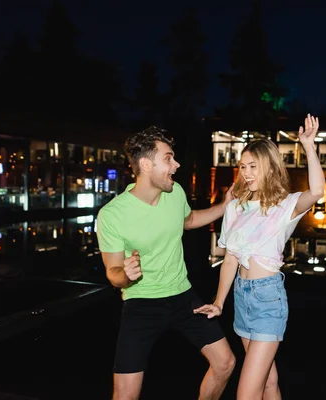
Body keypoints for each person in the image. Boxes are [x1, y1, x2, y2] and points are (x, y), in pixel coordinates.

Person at [96, 126, 236, 400]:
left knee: (225, 363)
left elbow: (189, 220)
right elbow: (113, 274)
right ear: (146, 165)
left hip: (183, 296)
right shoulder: (112, 215)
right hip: (141, 303)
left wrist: (225, 205)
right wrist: (125, 274)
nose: (177, 164)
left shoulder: (175, 193)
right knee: (124, 395)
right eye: (169, 158)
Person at [194, 114, 325, 399]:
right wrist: (218, 302)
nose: (247, 173)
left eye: (254, 166)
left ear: (270, 167)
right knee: (268, 383)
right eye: (243, 167)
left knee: (247, 392)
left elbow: (317, 191)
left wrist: (309, 146)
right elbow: (229, 259)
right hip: (243, 299)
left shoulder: (285, 205)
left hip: (268, 301)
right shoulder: (235, 207)